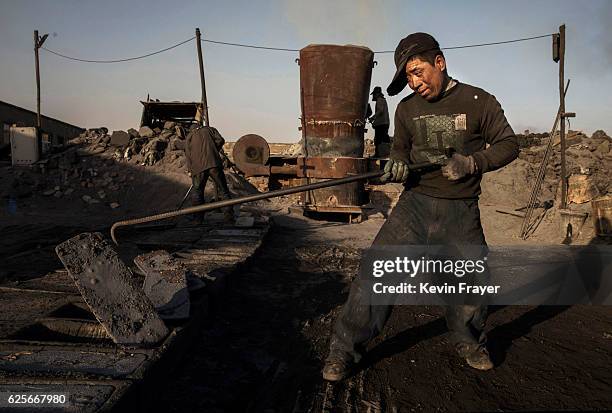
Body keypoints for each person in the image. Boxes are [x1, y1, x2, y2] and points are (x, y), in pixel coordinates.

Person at [322, 32, 519, 381]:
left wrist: (472, 163)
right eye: (409, 76)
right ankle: (343, 349)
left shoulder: (478, 101)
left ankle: (470, 343)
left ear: (439, 63)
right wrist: (395, 165)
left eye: (418, 71)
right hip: (414, 205)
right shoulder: (407, 109)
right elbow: (400, 151)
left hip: (460, 208)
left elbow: (508, 145)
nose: (415, 82)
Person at [184, 122, 234, 224]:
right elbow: (221, 140)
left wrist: (190, 170)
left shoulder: (190, 136)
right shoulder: (210, 129)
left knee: (198, 192)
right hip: (214, 164)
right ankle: (229, 217)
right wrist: (214, 149)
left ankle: (198, 220)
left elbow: (188, 155)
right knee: (224, 190)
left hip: (198, 168)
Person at [368, 86, 390, 157]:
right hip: (384, 123)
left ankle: (381, 155)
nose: (373, 96)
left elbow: (380, 111)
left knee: (379, 140)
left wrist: (372, 118)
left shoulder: (380, 100)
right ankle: (381, 154)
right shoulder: (383, 100)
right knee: (381, 139)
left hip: (382, 124)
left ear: (377, 93)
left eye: (374, 94)